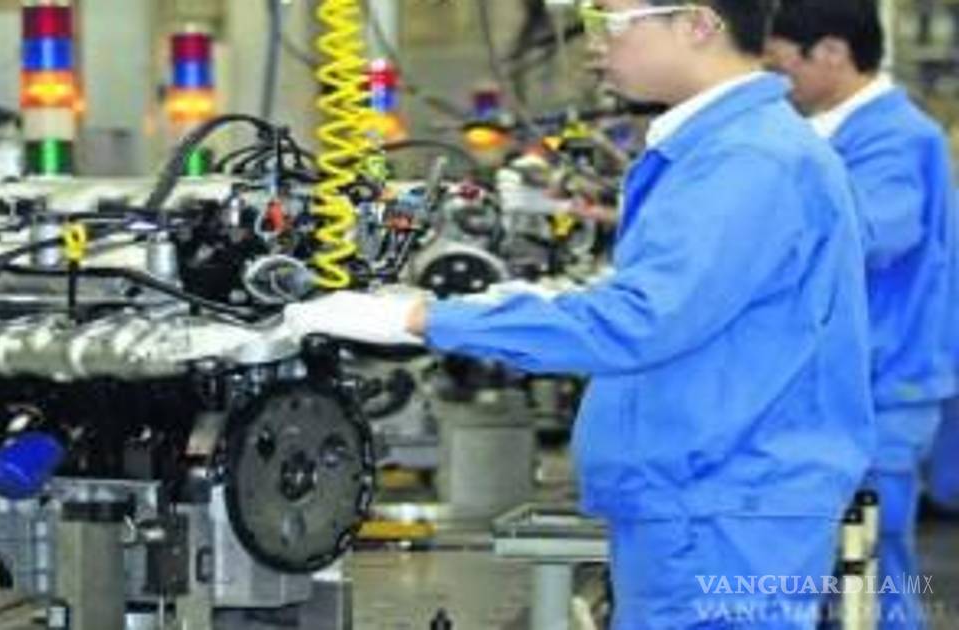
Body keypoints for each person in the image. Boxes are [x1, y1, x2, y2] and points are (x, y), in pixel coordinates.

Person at [286, 0, 876, 626]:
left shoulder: (747, 160)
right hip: (707, 498)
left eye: (608, 22)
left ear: (699, 24)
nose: (593, 44)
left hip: (722, 510)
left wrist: (421, 320)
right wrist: (520, 306)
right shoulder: (725, 148)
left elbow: (641, 321)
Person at [766, 2, 958, 626]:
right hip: (856, 382)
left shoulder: (892, 136)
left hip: (881, 386)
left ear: (830, 52)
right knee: (857, 572)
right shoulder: (844, 130)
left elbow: (876, 232)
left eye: (782, 65)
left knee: (870, 570)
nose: (777, 81)